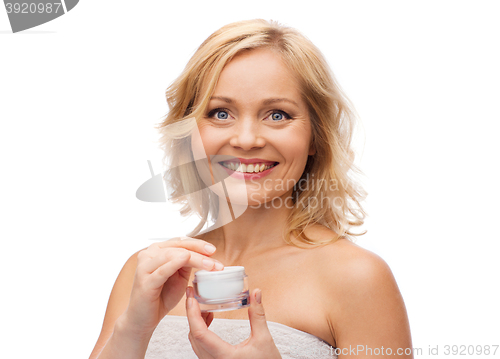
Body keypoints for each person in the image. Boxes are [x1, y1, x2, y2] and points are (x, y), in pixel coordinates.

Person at [89, 19, 413, 359]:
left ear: (315, 136)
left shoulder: (357, 279)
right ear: (190, 132)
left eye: (277, 115)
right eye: (220, 113)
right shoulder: (147, 274)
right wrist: (133, 331)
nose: (246, 139)